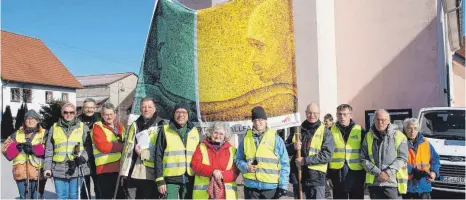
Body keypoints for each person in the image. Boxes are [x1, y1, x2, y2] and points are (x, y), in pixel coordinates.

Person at [199, 0, 296, 121]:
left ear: (290, 44)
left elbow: (211, 116)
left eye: (259, 46)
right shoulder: (279, 90)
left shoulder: (285, 98)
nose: (251, 58)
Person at [236, 106, 290, 199]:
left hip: (270, 188)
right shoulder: (245, 139)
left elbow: (284, 163)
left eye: (260, 119)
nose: (257, 123)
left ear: (265, 120)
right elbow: (238, 159)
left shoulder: (276, 138)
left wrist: (283, 186)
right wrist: (245, 167)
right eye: (255, 120)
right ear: (252, 122)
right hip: (251, 188)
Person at [43, 103, 91, 199]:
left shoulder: (82, 127)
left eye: (71, 112)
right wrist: (47, 168)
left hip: (77, 166)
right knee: (61, 196)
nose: (68, 114)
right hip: (58, 168)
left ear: (75, 113)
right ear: (62, 113)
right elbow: (49, 149)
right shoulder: (54, 127)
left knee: (74, 196)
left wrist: (83, 158)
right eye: (65, 112)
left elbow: (88, 146)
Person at [288, 103, 334, 199]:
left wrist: (305, 160)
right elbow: (285, 149)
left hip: (316, 179)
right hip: (299, 177)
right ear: (305, 113)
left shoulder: (325, 132)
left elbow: (327, 155)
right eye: (309, 113)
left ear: (319, 113)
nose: (312, 115)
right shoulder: (297, 130)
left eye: (315, 113)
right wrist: (293, 146)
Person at [120, 97, 163, 199]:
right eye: (143, 107)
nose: (146, 109)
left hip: (151, 174)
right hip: (132, 172)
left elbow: (162, 152)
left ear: (155, 108)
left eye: (149, 107)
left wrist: (142, 154)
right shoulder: (134, 125)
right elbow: (127, 150)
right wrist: (123, 172)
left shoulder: (161, 125)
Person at [361, 109, 409, 199]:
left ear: (388, 121)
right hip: (374, 182)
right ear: (374, 121)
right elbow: (363, 158)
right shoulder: (368, 136)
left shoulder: (399, 136)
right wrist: (378, 173)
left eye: (383, 120)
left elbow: (402, 158)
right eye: (377, 119)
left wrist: (387, 173)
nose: (380, 122)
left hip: (392, 183)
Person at [2, 110, 46, 199]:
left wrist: (33, 149)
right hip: (20, 171)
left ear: (37, 121)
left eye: (33, 119)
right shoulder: (16, 134)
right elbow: (5, 151)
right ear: (24, 121)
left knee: (37, 197)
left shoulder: (44, 133)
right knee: (23, 197)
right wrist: (17, 148)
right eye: (28, 119)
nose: (30, 121)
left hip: (37, 172)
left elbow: (48, 150)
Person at [191, 122, 239, 199]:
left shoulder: (233, 151)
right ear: (210, 132)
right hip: (204, 195)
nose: (217, 136)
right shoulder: (201, 147)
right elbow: (195, 166)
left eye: (221, 134)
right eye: (215, 133)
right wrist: (213, 171)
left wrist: (221, 175)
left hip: (226, 196)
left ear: (225, 136)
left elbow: (235, 171)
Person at [327, 104, 366, 199]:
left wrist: (366, 176)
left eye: (345, 114)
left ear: (351, 115)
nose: (342, 117)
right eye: (339, 114)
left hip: (357, 174)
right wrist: (328, 176)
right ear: (336, 115)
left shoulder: (360, 130)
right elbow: (327, 153)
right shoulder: (329, 131)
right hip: (337, 174)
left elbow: (366, 154)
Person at [91, 103, 126, 199]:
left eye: (111, 114)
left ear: (115, 114)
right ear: (102, 115)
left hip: (120, 168)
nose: (109, 117)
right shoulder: (98, 127)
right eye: (106, 114)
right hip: (105, 170)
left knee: (121, 197)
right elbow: (103, 146)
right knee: (107, 196)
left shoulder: (120, 127)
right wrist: (123, 146)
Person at [402, 118, 440, 199]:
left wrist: (434, 172)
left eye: (415, 128)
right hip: (407, 186)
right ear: (405, 129)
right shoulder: (400, 143)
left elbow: (435, 160)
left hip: (424, 186)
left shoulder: (426, 142)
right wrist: (411, 170)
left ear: (418, 129)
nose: (412, 131)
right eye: (409, 128)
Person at [77, 98, 102, 199]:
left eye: (91, 107)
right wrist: (76, 154)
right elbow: (75, 140)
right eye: (87, 107)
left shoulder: (101, 120)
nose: (89, 109)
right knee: (84, 185)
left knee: (98, 185)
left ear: (95, 108)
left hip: (97, 158)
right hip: (83, 157)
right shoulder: (77, 121)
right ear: (83, 108)